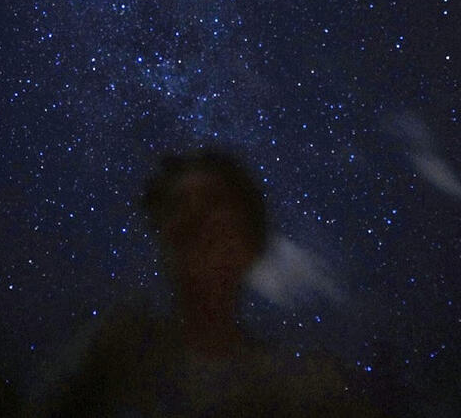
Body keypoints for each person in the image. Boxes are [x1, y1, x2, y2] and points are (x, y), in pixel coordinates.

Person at [41, 145, 387, 417]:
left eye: (214, 203)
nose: (195, 218)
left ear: (250, 243)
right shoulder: (118, 349)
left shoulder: (305, 387)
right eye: (178, 206)